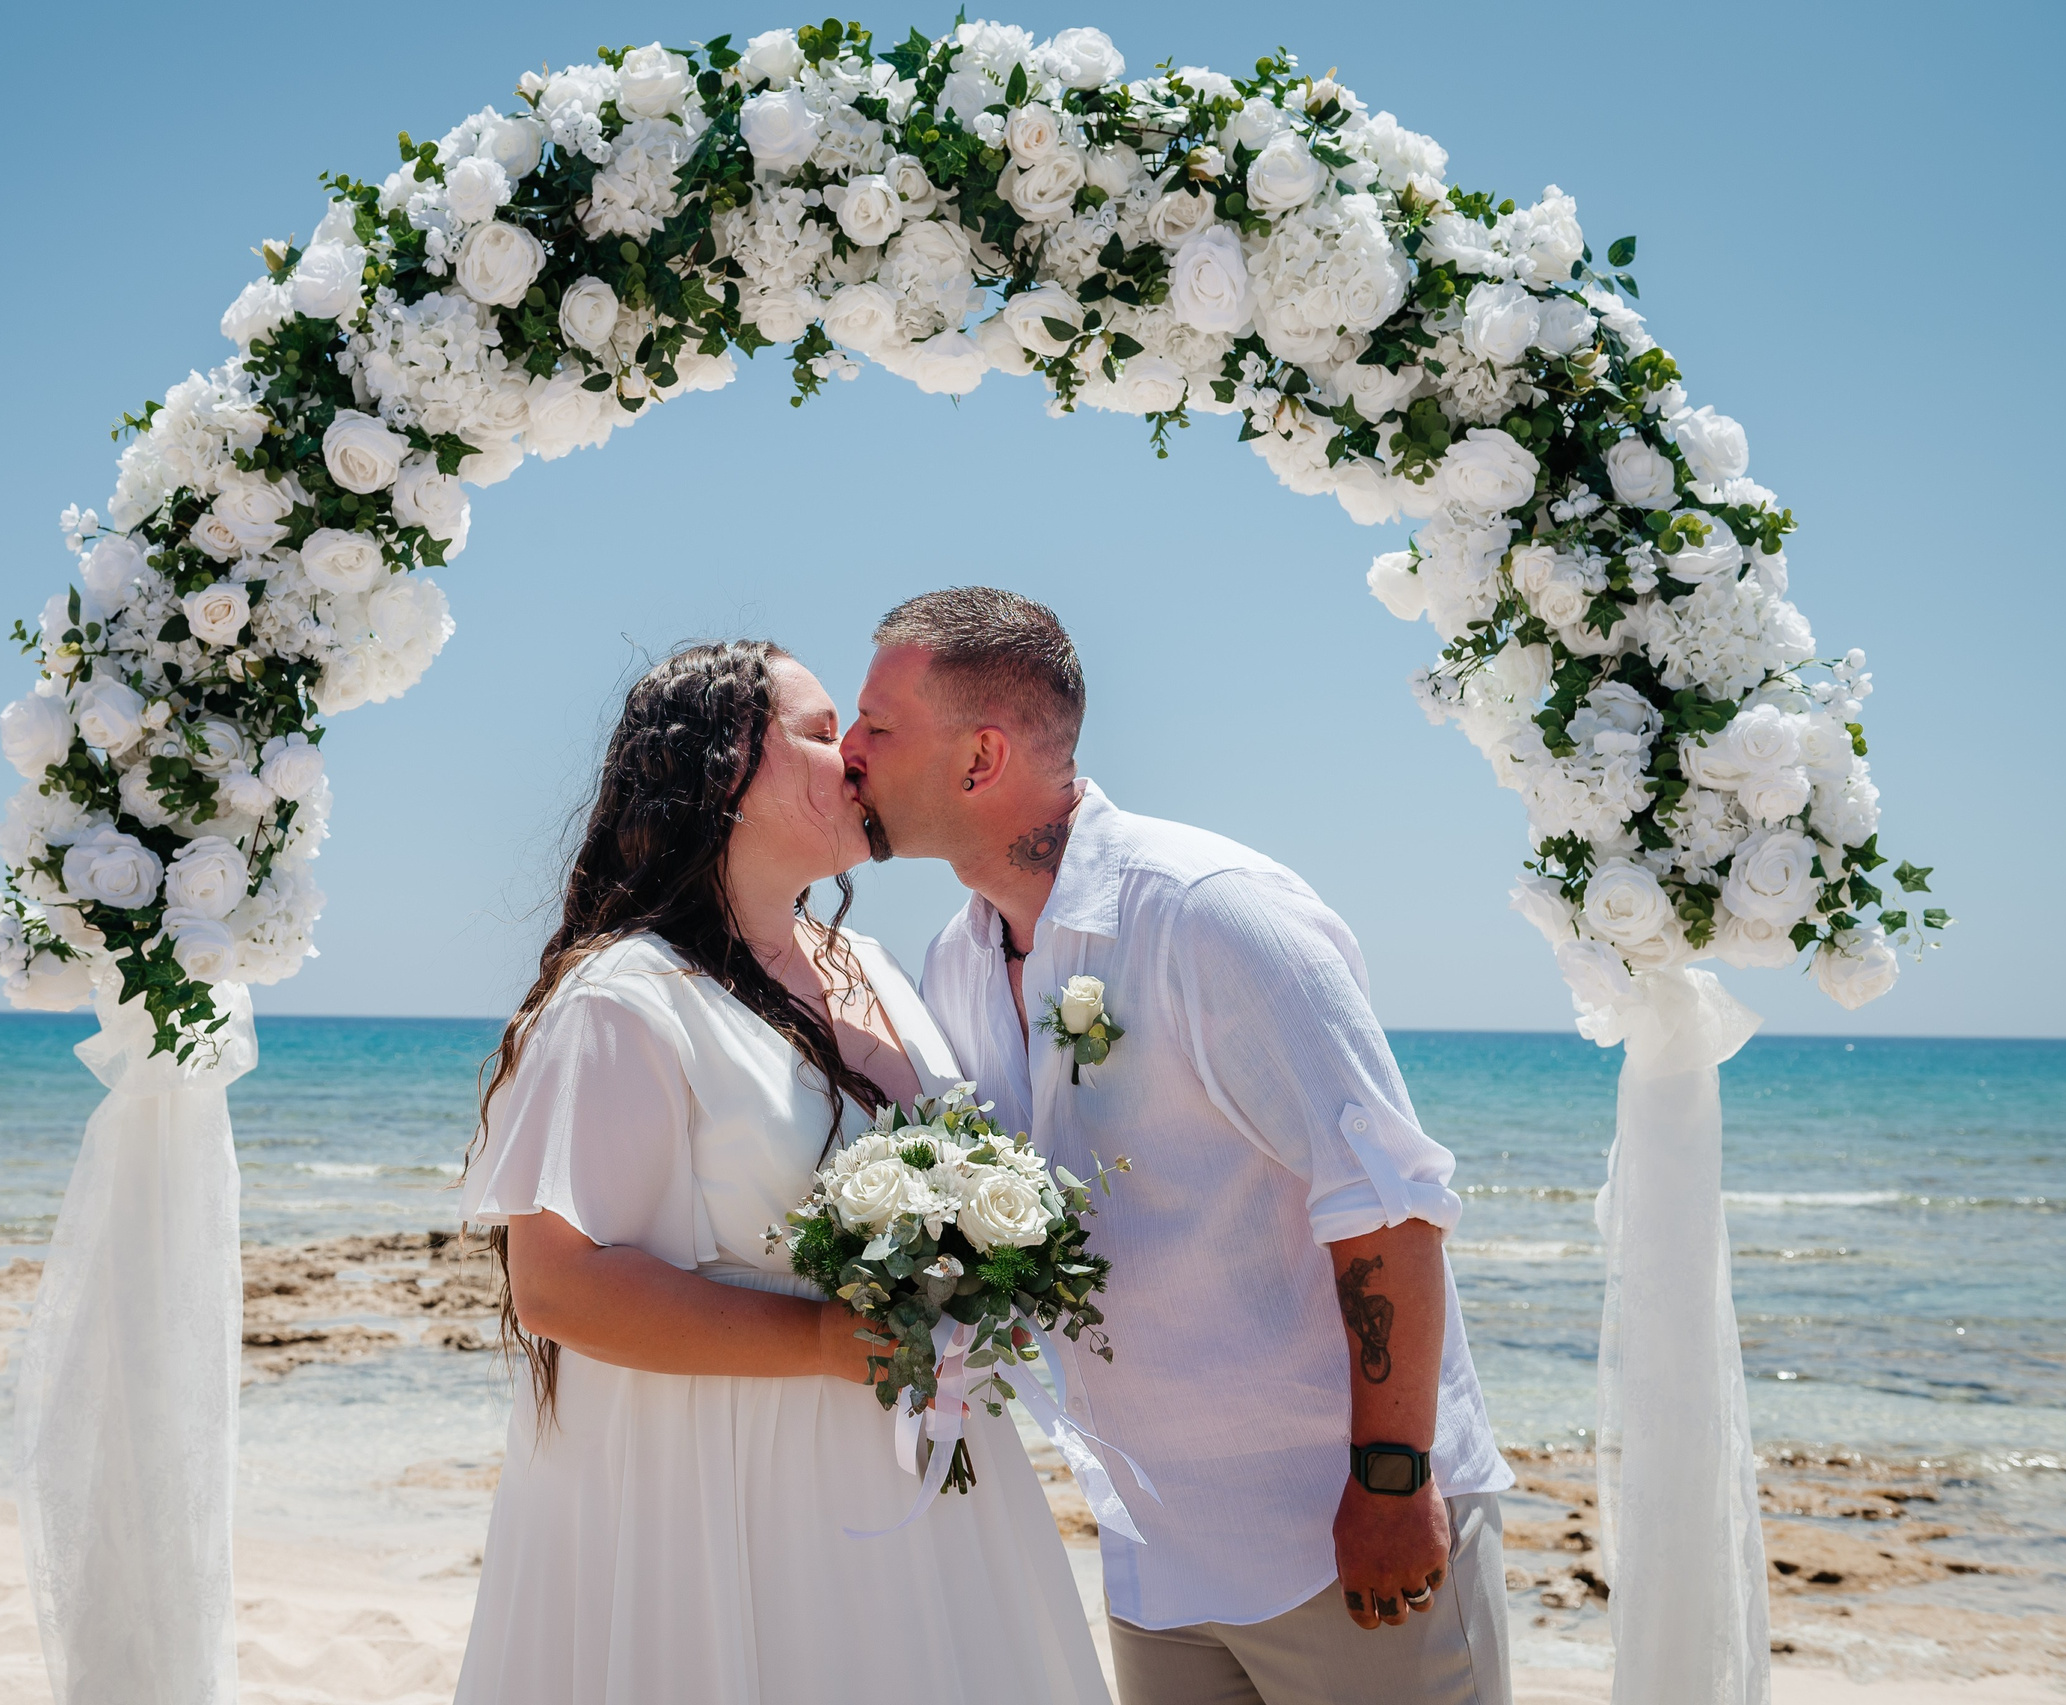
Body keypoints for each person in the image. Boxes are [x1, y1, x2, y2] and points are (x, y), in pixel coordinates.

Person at [842, 588, 1516, 1705]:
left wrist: (1392, 1480)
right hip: (1151, 1544)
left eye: (877, 726)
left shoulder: (1210, 912)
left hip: (1342, 1531)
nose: (850, 755)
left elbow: (1386, 1201)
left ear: (979, 758)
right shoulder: (955, 959)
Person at [454, 639, 1112, 1705]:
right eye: (815, 732)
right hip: (733, 1495)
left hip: (922, 1470)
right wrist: (816, 1339)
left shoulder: (874, 969)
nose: (855, 755)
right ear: (724, 775)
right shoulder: (627, 998)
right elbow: (559, 1285)